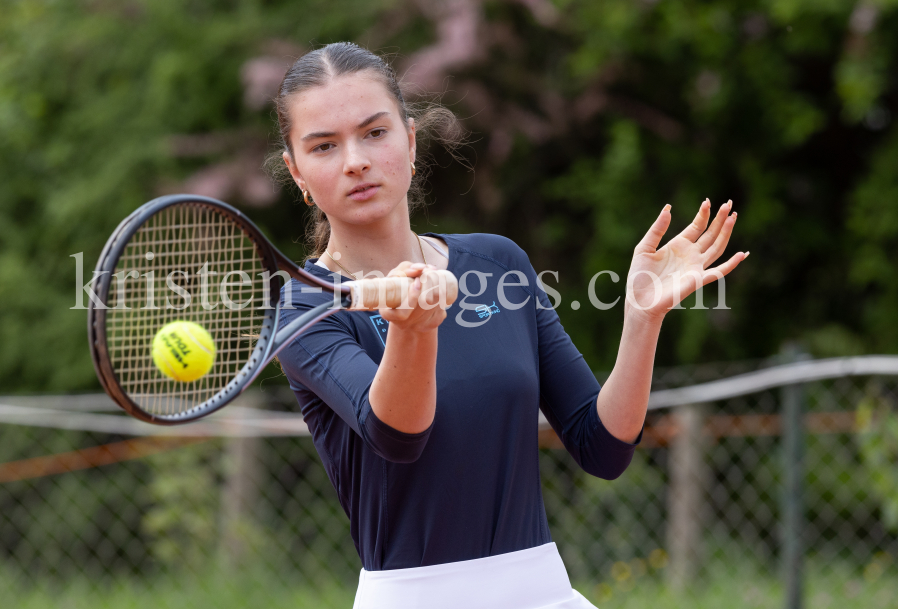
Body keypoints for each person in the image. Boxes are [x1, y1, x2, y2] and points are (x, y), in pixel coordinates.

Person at [270, 42, 747, 609]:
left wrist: (641, 319)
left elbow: (603, 448)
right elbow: (398, 437)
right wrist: (415, 330)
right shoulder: (306, 308)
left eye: (375, 132)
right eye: (324, 146)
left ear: (411, 140)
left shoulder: (499, 264)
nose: (355, 160)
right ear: (297, 172)